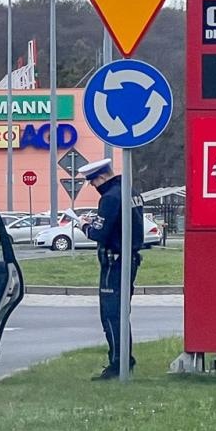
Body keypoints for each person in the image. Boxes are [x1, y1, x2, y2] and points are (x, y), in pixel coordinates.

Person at [78, 158, 143, 380]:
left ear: (102, 176)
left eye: (94, 182)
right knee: (122, 313)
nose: (94, 187)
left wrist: (84, 225)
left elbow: (99, 234)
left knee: (112, 315)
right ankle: (124, 359)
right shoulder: (131, 191)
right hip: (130, 259)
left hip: (113, 263)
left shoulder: (110, 197)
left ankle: (118, 363)